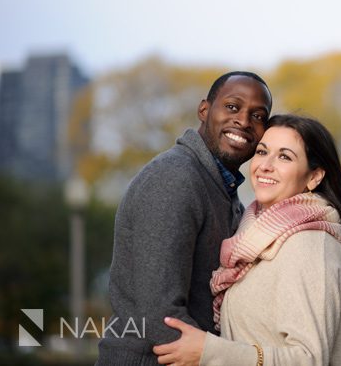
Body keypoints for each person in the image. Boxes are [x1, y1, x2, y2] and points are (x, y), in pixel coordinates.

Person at [153, 114, 341, 366]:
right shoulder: (252, 240)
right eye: (262, 151)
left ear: (314, 177)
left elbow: (309, 359)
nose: (265, 165)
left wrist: (209, 352)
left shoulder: (311, 246)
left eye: (285, 156)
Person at [96, 72, 273, 365]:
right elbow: (161, 314)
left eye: (257, 116)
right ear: (204, 110)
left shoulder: (224, 190)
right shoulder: (175, 177)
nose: (243, 121)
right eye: (232, 107)